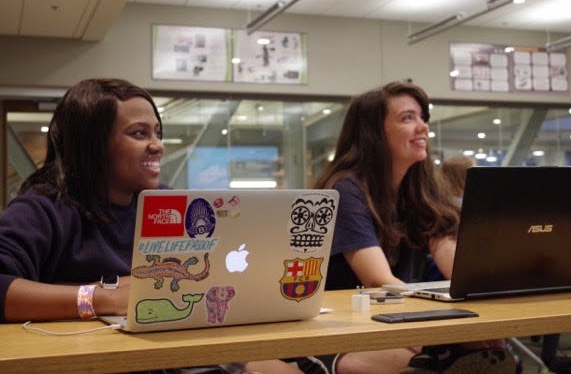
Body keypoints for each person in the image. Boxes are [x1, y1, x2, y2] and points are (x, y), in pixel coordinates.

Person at [0, 78, 295, 374]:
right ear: (94, 144)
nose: (157, 146)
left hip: (179, 351)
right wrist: (101, 298)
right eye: (139, 134)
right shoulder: (42, 207)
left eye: (157, 133)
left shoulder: (167, 203)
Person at [299, 81, 516, 373]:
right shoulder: (346, 190)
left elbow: (459, 267)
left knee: (490, 350)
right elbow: (379, 280)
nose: (423, 127)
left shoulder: (420, 190)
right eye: (408, 118)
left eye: (422, 118)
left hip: (391, 321)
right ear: (374, 133)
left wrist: (482, 296)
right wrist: (438, 328)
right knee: (433, 364)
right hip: (338, 331)